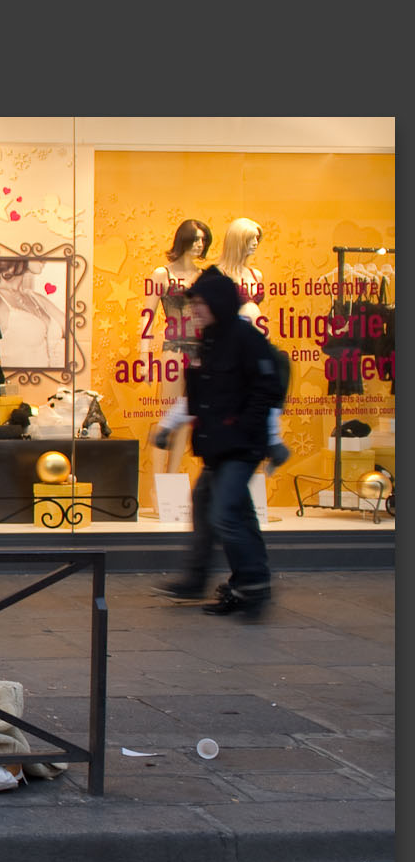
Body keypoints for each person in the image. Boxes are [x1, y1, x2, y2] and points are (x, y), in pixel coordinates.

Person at [151, 266, 288, 619]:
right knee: (214, 509)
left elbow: (267, 391)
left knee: (226, 513)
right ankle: (205, 581)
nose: (194, 308)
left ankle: (252, 584)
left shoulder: (246, 340)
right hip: (218, 445)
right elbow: (196, 396)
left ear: (219, 302)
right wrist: (168, 426)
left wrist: (269, 439)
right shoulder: (210, 340)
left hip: (240, 445)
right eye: (193, 302)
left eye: (200, 302)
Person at [145, 219, 212, 476]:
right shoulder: (163, 274)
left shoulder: (205, 276)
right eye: (195, 238)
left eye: (203, 240)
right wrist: (144, 355)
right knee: (168, 417)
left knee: (186, 417)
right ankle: (159, 486)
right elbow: (147, 315)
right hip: (174, 349)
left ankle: (171, 482)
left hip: (199, 353)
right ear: (182, 240)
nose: (199, 244)